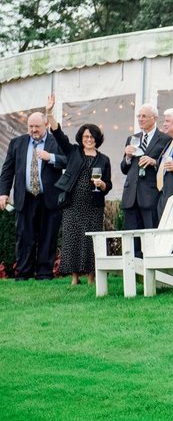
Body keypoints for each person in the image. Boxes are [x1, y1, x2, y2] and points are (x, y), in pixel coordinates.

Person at [48, 99, 110, 285]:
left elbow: (109, 184)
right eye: (85, 137)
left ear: (97, 139)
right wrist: (49, 112)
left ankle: (91, 277)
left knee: (92, 241)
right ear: (81, 139)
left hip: (93, 205)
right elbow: (58, 134)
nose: (89, 140)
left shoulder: (104, 159)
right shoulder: (74, 152)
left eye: (92, 137)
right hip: (72, 203)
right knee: (72, 239)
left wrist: (102, 185)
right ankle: (75, 278)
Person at [0, 108, 66, 280]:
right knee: (24, 237)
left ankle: (44, 273)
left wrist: (50, 157)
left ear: (45, 124)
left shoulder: (55, 141)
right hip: (25, 197)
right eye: (30, 126)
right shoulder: (17, 143)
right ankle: (23, 273)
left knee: (47, 236)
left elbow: (68, 160)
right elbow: (7, 170)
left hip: (49, 198)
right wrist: (3, 193)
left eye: (37, 126)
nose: (33, 130)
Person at [120, 104, 170, 233]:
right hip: (131, 195)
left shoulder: (165, 139)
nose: (140, 119)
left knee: (151, 235)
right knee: (132, 239)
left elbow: (167, 165)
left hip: (151, 195)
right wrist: (128, 157)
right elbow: (124, 169)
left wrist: (154, 162)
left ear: (154, 118)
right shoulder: (133, 138)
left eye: (144, 116)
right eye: (139, 116)